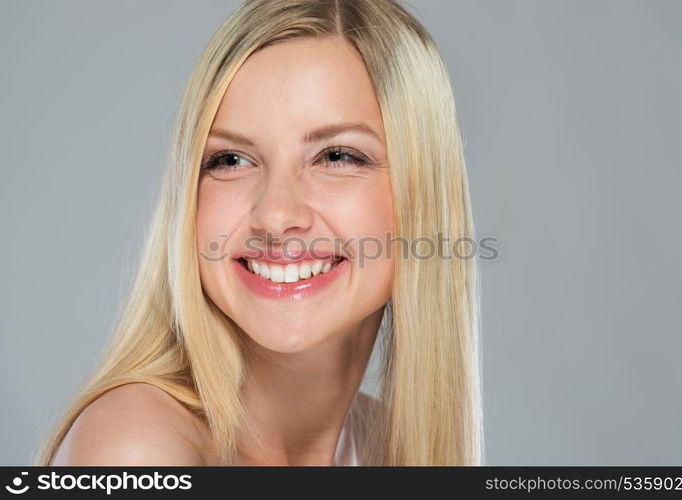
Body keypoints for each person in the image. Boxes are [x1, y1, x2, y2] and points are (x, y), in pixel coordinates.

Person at [37, 0, 482, 466]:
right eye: (230, 159)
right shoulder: (138, 447)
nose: (274, 215)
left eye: (336, 156)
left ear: (424, 193)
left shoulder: (384, 447)